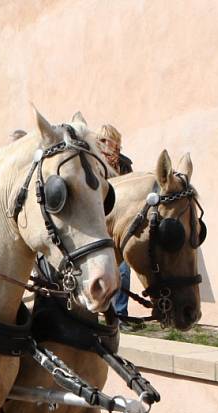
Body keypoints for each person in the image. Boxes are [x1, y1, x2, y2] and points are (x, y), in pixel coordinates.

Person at [97, 124, 134, 326]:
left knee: (123, 272)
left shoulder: (125, 165)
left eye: (106, 141)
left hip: (121, 226)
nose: (104, 145)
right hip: (102, 225)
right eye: (101, 141)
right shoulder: (95, 164)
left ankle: (121, 314)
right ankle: (105, 313)